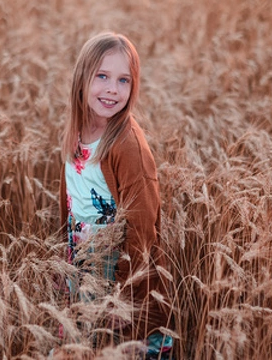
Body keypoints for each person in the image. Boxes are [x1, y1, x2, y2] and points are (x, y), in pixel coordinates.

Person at [59, 32, 174, 357]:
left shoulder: (127, 146)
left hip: (118, 268)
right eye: (103, 76)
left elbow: (142, 228)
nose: (113, 89)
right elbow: (71, 200)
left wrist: (125, 296)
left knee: (116, 346)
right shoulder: (77, 130)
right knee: (84, 340)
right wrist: (62, 259)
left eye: (124, 80)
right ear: (82, 78)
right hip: (82, 259)